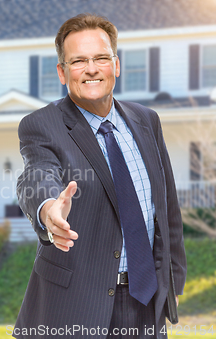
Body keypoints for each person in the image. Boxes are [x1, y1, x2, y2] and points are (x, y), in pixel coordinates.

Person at [14, 13, 187, 339]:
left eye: (100, 58)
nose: (91, 68)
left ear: (116, 65)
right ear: (62, 73)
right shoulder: (42, 125)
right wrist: (49, 209)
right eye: (78, 61)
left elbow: (166, 206)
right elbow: (37, 174)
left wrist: (172, 279)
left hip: (146, 301)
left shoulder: (147, 120)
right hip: (75, 306)